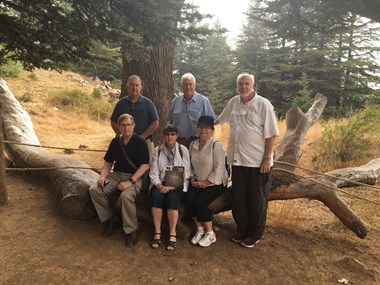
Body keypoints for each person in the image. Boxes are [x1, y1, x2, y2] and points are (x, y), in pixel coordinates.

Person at [215, 73, 279, 248]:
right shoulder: (234, 102)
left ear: (253, 85)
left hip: (258, 163)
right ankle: (242, 229)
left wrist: (267, 158)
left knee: (257, 200)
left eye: (246, 84)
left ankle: (255, 233)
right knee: (238, 199)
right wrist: (202, 126)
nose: (243, 87)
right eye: (240, 84)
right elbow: (220, 119)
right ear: (237, 86)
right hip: (237, 161)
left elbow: (272, 134)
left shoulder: (263, 105)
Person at [89, 114, 150, 247]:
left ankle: (132, 230)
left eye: (129, 124)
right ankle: (110, 219)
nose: (126, 127)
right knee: (95, 190)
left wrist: (130, 182)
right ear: (119, 127)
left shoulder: (140, 142)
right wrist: (103, 177)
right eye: (123, 125)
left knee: (125, 197)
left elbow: (145, 165)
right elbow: (108, 162)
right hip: (116, 175)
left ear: (134, 126)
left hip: (135, 177)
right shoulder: (115, 142)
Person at [187, 116, 227, 247]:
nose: (204, 130)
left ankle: (210, 234)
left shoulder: (216, 145)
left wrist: (206, 182)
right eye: (201, 127)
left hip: (215, 183)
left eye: (207, 127)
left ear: (212, 130)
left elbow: (219, 168)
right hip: (197, 181)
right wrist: (192, 177)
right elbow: (189, 165)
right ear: (197, 128)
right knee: (188, 199)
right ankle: (200, 229)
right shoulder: (193, 144)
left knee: (200, 202)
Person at [149, 124, 191, 251]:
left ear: (177, 136)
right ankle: (157, 232)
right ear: (163, 136)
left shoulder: (183, 150)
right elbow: (153, 172)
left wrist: (184, 175)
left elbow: (188, 170)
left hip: (177, 184)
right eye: (167, 134)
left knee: (172, 200)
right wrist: (158, 185)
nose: (170, 137)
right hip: (161, 183)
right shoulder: (158, 150)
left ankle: (173, 233)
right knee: (156, 197)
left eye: (173, 134)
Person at [110, 75, 159, 161]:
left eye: (137, 85)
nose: (134, 88)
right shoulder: (121, 103)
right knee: (123, 165)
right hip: (124, 142)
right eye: (132, 85)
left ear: (140, 87)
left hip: (144, 141)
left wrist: (143, 136)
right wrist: (122, 135)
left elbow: (155, 122)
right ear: (127, 87)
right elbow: (113, 121)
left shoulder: (148, 103)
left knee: (146, 166)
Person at [166, 73, 215, 149]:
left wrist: (207, 141)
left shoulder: (203, 101)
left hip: (197, 142)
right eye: (185, 84)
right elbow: (169, 121)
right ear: (181, 86)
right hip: (178, 142)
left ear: (194, 85)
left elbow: (211, 124)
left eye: (190, 84)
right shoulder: (175, 101)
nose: (188, 87)